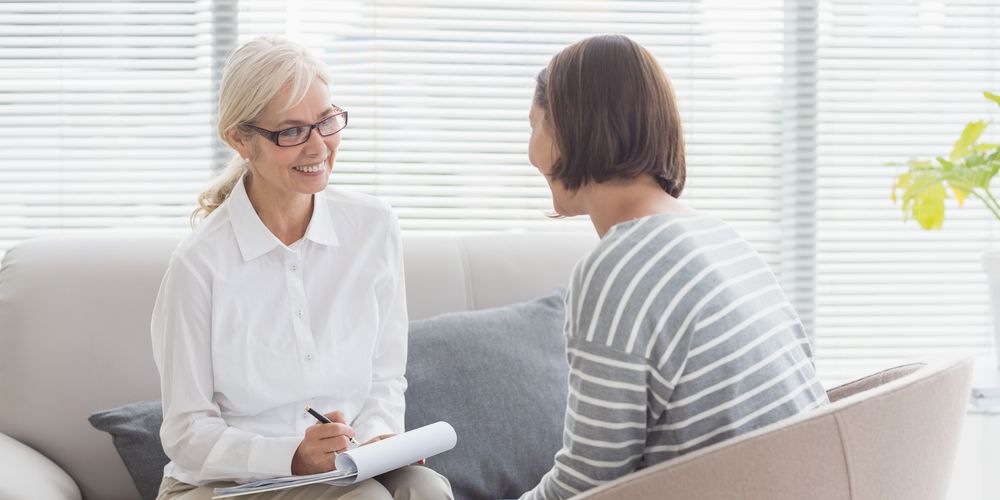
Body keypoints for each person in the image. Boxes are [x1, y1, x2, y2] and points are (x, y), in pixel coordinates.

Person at [519, 34, 828, 500]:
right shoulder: (722, 239)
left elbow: (588, 483)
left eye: (535, 126)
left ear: (571, 128)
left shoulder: (617, 270)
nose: (531, 152)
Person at [150, 36, 453, 500]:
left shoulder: (374, 228)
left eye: (326, 121)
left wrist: (375, 439)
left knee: (425, 490)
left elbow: (386, 378)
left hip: (342, 470)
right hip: (223, 485)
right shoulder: (199, 265)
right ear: (239, 139)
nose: (319, 147)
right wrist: (291, 455)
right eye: (291, 132)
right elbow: (187, 434)